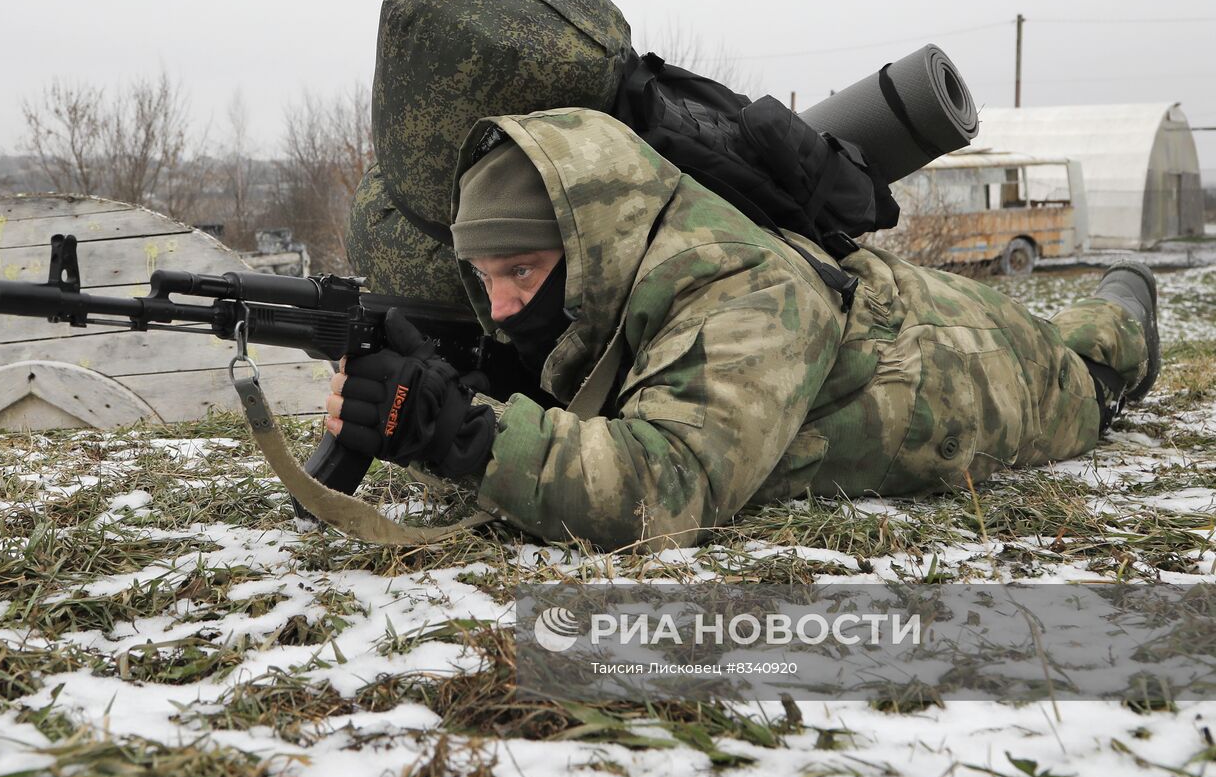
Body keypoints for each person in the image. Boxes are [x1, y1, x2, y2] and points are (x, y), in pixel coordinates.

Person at [324, 108, 1158, 550]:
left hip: (1010, 373)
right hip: (895, 313)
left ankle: (1130, 293)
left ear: (594, 246)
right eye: (486, 278)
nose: (503, 307)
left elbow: (667, 486)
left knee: (1104, 353)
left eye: (523, 273)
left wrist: (457, 431)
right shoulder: (628, 280)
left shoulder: (739, 292)